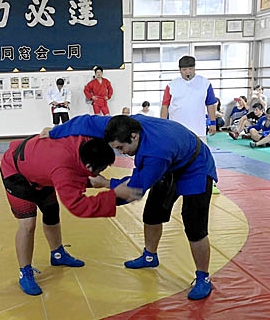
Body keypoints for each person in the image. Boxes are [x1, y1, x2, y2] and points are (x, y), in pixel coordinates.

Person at [42, 114, 218, 300]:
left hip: (195, 167)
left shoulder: (156, 153)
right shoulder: (120, 125)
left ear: (134, 136)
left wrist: (107, 185)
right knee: (152, 215)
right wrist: (54, 132)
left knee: (194, 226)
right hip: (172, 161)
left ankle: (203, 277)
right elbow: (85, 121)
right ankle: (150, 257)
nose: (121, 152)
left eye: (121, 148)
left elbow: (134, 190)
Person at [0, 135, 136, 296]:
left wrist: (107, 184)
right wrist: (114, 195)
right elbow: (79, 206)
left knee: (51, 211)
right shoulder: (62, 171)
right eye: (99, 170)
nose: (100, 173)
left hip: (38, 165)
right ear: (88, 166)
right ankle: (25, 272)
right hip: (16, 173)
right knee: (28, 224)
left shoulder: (82, 139)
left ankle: (57, 254)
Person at [161, 56, 217, 142]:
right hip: (176, 130)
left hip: (198, 130)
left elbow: (210, 104)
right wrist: (163, 125)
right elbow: (165, 106)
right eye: (184, 70)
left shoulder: (205, 83)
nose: (188, 72)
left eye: (190, 69)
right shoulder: (171, 85)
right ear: (180, 70)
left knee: (200, 154)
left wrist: (213, 123)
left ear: (194, 68)